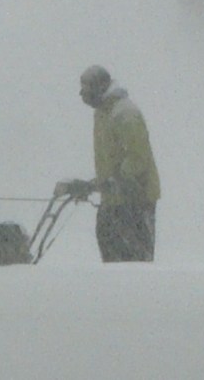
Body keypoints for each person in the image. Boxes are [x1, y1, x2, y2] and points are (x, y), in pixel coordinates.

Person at [55, 65, 160, 262]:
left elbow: (138, 157)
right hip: (113, 199)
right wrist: (99, 183)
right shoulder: (103, 113)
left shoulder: (124, 113)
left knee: (132, 261)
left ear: (100, 86)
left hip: (134, 200)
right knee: (110, 252)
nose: (81, 94)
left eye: (85, 88)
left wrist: (114, 180)